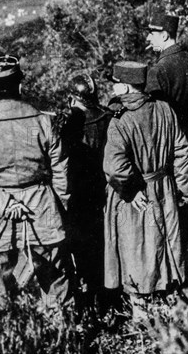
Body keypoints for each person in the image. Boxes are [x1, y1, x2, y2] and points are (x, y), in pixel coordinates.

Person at [0, 55, 73, 327]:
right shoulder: (43, 123)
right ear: (20, 85)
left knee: (0, 293)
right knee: (55, 287)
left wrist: (3, 204)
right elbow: (62, 176)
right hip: (42, 216)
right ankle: (63, 339)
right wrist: (58, 209)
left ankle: (3, 343)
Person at [103, 61, 188, 320]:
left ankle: (142, 313)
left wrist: (130, 190)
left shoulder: (120, 121)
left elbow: (114, 167)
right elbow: (182, 152)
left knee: (137, 247)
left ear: (126, 86)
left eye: (117, 82)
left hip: (138, 192)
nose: (114, 86)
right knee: (166, 241)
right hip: (165, 186)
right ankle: (168, 303)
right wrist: (182, 190)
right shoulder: (165, 109)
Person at [145, 11, 188, 236]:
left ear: (164, 36)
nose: (148, 39)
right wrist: (187, 122)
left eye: (152, 34)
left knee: (172, 204)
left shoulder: (158, 70)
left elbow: (151, 115)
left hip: (167, 145)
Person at [60, 73, 112, 315]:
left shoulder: (71, 124)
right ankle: (108, 299)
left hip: (80, 195)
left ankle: (90, 303)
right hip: (106, 189)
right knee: (105, 245)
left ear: (74, 97)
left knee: (82, 250)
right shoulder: (108, 117)